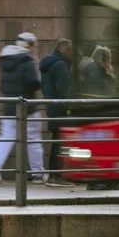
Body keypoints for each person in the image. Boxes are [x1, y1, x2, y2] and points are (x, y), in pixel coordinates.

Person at [0, 32, 47, 184]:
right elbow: (34, 82)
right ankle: (38, 174)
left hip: (9, 105)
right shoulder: (27, 60)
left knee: (6, 137)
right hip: (28, 106)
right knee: (33, 140)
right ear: (29, 46)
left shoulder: (5, 60)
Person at [39, 39, 74, 175]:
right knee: (60, 142)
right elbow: (63, 89)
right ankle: (56, 174)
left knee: (56, 140)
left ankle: (54, 173)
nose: (71, 54)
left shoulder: (48, 64)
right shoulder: (60, 65)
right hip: (61, 108)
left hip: (51, 106)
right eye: (70, 51)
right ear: (64, 50)